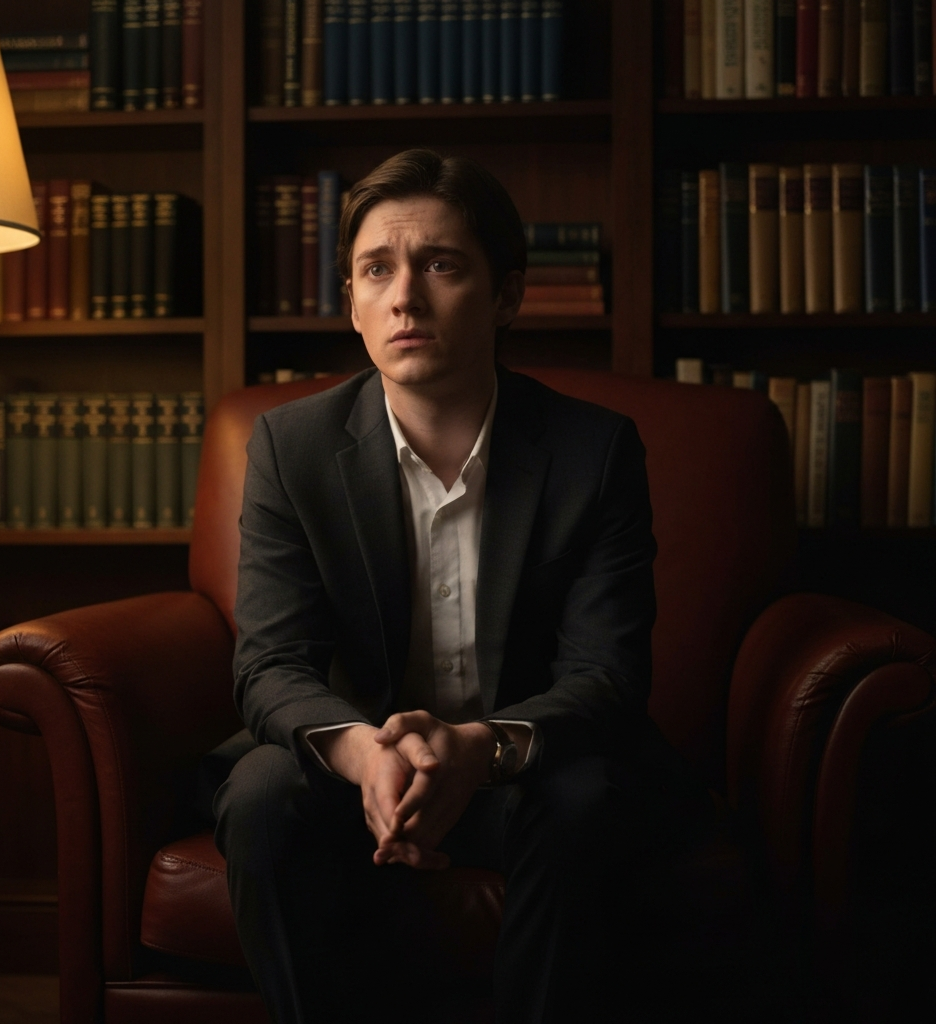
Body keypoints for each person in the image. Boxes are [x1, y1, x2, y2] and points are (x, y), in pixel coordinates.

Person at [213, 148, 708, 1024]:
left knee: (589, 798)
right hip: (357, 771)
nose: (406, 295)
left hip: (524, 768)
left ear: (507, 294)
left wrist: (480, 747)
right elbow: (270, 664)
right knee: (259, 798)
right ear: (354, 304)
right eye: (377, 270)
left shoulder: (593, 452)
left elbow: (608, 675)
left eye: (441, 265)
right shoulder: (291, 448)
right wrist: (365, 754)